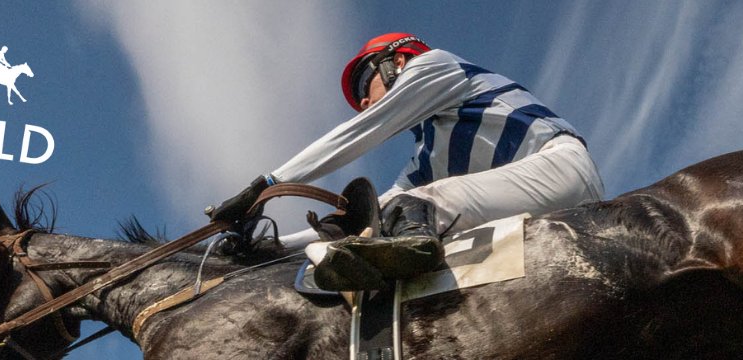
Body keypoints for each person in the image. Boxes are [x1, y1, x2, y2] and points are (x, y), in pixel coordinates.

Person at [211, 33, 605, 290]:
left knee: (412, 210)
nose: (364, 102)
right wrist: (271, 247)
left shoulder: (437, 65)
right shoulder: (424, 161)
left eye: (367, 84)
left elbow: (357, 133)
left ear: (397, 62)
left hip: (563, 168)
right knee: (383, 221)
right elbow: (368, 217)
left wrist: (264, 185)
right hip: (532, 206)